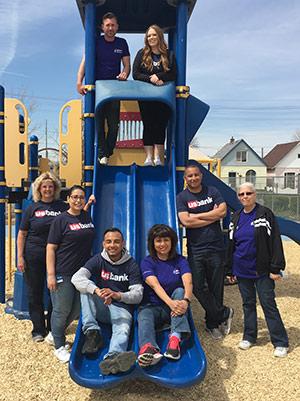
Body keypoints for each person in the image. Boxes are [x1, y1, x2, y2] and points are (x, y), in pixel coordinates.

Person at [225, 182, 289, 357]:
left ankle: (280, 341)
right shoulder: (236, 216)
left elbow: (275, 240)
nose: (245, 196)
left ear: (255, 194)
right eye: (241, 194)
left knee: (268, 304)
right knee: (248, 304)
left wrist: (276, 267)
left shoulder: (264, 214)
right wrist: (229, 270)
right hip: (242, 269)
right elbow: (231, 244)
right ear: (238, 197)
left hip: (261, 270)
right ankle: (249, 336)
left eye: (248, 193)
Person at [71, 228, 143, 375]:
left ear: (123, 243)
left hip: (121, 308)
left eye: (116, 241)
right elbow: (76, 278)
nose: (112, 245)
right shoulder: (98, 259)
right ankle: (92, 333)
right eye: (108, 241)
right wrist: (98, 291)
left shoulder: (131, 265)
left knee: (122, 330)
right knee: (85, 290)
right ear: (103, 244)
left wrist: (118, 295)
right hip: (101, 307)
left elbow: (138, 295)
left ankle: (113, 358)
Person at [176, 161, 234, 340]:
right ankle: (224, 312)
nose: (193, 178)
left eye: (196, 175)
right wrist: (211, 215)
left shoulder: (212, 192)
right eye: (190, 176)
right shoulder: (182, 197)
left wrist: (197, 216)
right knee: (198, 287)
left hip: (216, 247)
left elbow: (222, 212)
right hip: (196, 248)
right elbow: (186, 221)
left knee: (216, 287)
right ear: (185, 179)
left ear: (201, 175)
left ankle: (212, 324)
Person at [17, 172, 69, 342]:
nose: (47, 189)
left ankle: (53, 327)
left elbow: (77, 218)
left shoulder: (62, 207)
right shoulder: (32, 208)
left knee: (55, 293)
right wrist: (20, 257)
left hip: (57, 257)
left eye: (51, 186)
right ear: (39, 189)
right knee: (35, 293)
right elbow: (22, 234)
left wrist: (89, 203)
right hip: (34, 256)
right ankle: (38, 329)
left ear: (55, 189)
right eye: (44, 186)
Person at [47, 185, 96, 363]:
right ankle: (59, 346)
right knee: (61, 310)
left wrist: (89, 204)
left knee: (76, 310)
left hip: (82, 273)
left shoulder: (85, 215)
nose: (77, 200)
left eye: (81, 197)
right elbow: (51, 248)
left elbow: (81, 224)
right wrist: (51, 274)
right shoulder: (60, 220)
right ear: (68, 199)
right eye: (74, 197)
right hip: (64, 271)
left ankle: (54, 334)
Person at [77, 12, 130, 165]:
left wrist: (125, 73)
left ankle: (107, 151)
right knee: (98, 123)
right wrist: (79, 81)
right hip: (97, 88)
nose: (110, 28)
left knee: (114, 125)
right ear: (102, 27)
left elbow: (127, 65)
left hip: (114, 89)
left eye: (113, 25)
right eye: (107, 25)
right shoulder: (95, 41)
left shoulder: (122, 43)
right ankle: (102, 154)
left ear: (117, 27)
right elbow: (85, 62)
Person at [137, 224, 192, 367]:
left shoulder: (180, 260)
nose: (162, 244)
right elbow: (155, 285)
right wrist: (171, 303)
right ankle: (148, 348)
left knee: (180, 291)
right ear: (152, 243)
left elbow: (188, 282)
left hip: (175, 309)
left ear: (172, 241)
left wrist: (186, 301)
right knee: (143, 315)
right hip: (154, 306)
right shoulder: (147, 262)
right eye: (158, 241)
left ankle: (175, 340)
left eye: (166, 240)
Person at [133, 25, 176, 166]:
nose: (151, 38)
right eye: (149, 35)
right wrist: (151, 79)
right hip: (146, 96)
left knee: (160, 125)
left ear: (159, 36)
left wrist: (159, 76)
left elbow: (173, 73)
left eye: (154, 35)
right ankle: (149, 158)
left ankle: (158, 157)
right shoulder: (142, 53)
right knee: (148, 124)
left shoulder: (169, 54)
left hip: (163, 97)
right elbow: (136, 74)